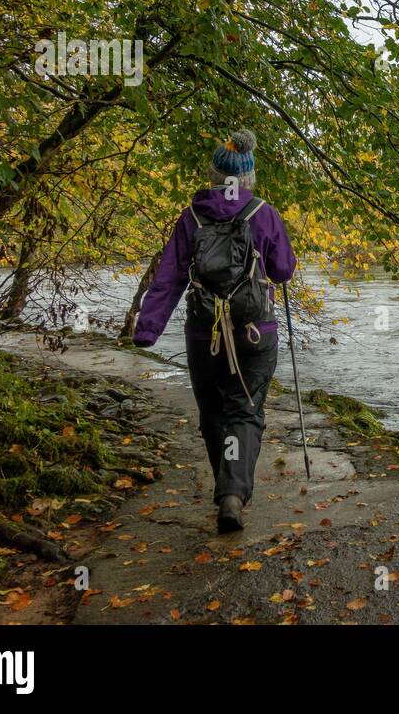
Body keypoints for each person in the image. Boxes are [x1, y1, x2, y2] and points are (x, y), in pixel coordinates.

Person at [132, 130, 296, 532]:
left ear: (213, 176)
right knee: (244, 410)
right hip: (254, 332)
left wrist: (147, 329)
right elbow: (283, 270)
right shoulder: (264, 214)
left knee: (212, 415)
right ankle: (232, 495)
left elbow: (168, 278)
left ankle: (227, 490)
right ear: (250, 177)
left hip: (205, 335)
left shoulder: (192, 217)